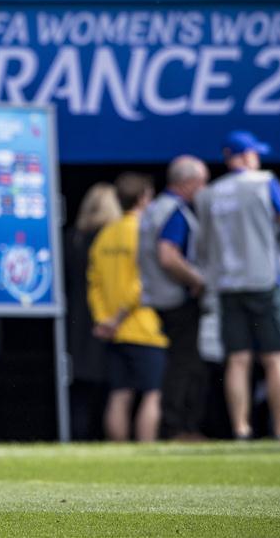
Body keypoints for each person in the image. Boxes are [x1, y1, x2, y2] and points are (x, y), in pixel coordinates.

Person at [195, 130, 280, 440]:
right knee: (276, 357)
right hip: (265, 281)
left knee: (237, 359)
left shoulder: (210, 193)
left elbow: (203, 246)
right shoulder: (265, 183)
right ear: (246, 156)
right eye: (255, 153)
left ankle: (241, 428)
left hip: (228, 284)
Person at [88, 173, 167, 442]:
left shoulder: (106, 233)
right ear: (145, 197)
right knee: (152, 392)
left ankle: (118, 450)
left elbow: (94, 282)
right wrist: (119, 316)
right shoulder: (145, 230)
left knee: (120, 393)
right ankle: (146, 450)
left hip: (112, 330)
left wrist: (103, 319)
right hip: (144, 326)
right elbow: (144, 281)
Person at [138, 155, 209, 441]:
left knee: (176, 364)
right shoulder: (174, 211)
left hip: (155, 295)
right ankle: (178, 427)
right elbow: (169, 257)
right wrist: (196, 280)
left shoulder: (152, 209)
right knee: (185, 365)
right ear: (189, 183)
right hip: (176, 298)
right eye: (203, 182)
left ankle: (174, 425)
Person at [64, 183, 122, 441]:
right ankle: (100, 435)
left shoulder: (72, 237)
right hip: (107, 315)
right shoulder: (111, 239)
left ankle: (80, 435)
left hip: (75, 317)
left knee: (81, 387)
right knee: (110, 385)